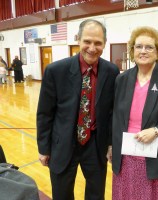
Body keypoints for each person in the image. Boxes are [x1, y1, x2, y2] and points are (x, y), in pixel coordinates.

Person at [37, 19, 119, 200]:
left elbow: (112, 111)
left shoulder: (111, 71)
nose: (92, 47)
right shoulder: (55, 70)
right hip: (63, 144)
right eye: (87, 41)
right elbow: (45, 113)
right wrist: (44, 148)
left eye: (98, 43)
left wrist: (111, 143)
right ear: (78, 40)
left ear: (104, 43)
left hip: (95, 144)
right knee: (62, 194)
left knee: (96, 194)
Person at [108, 26, 158, 200]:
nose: (143, 51)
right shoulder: (122, 79)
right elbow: (115, 116)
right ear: (132, 50)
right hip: (127, 155)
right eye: (138, 46)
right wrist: (112, 145)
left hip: (156, 155)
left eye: (149, 47)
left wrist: (156, 130)